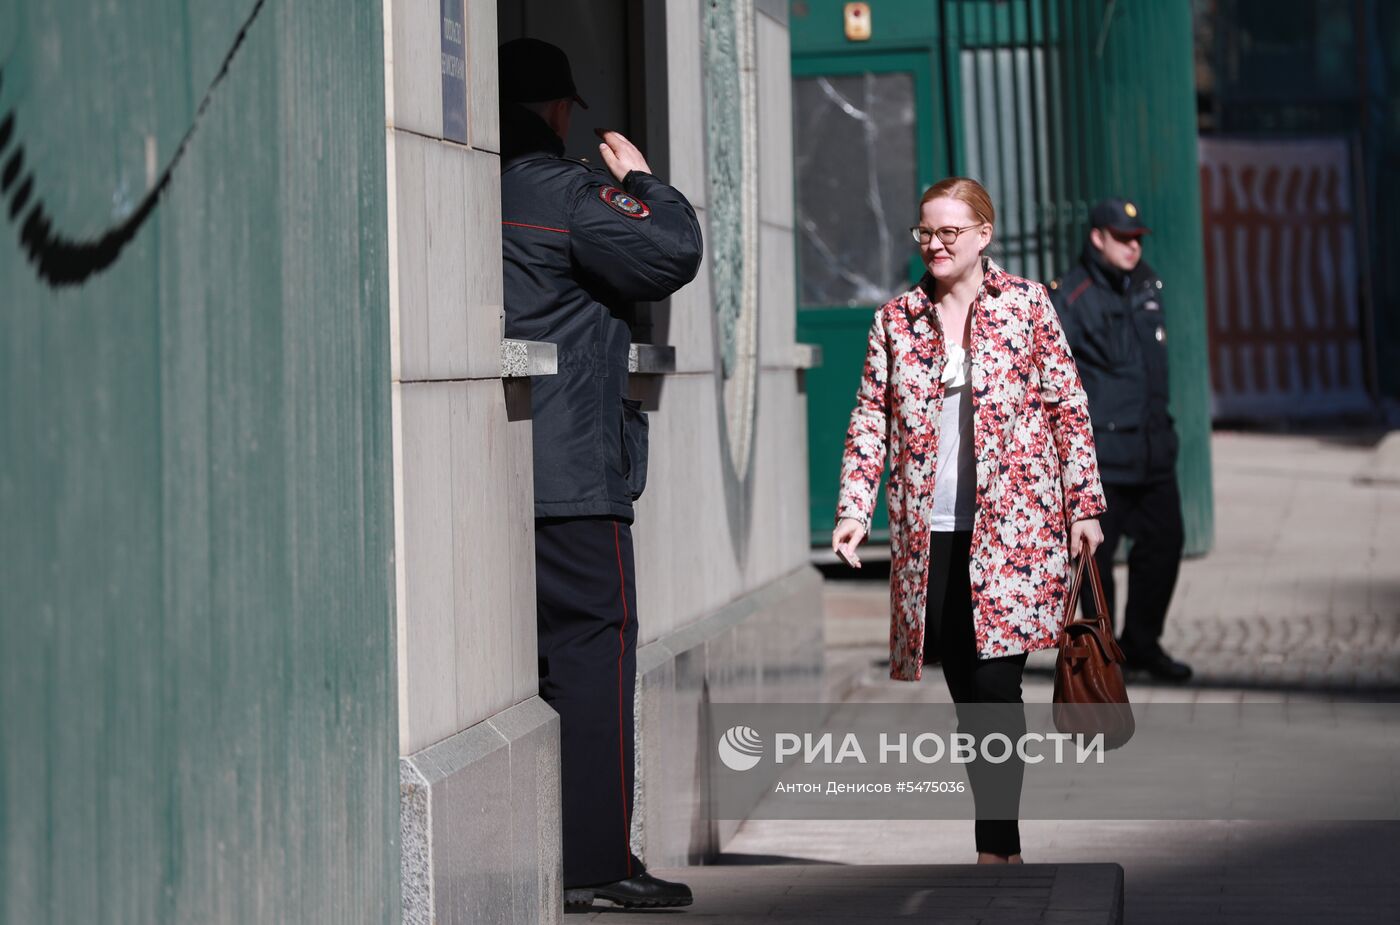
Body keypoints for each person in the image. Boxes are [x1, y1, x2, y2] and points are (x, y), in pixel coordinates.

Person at [832, 177, 1106, 863]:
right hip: (932, 533)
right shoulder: (896, 320)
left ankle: (997, 846)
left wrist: (1086, 505)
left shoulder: (1027, 307)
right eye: (927, 230)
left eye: (950, 230)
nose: (936, 242)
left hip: (1012, 531)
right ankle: (996, 837)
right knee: (966, 693)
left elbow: (1066, 407)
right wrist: (853, 508)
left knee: (995, 685)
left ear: (984, 235)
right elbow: (871, 416)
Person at [498, 38, 703, 908]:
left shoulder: (474, 187)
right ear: (557, 111)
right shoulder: (561, 190)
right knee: (594, 649)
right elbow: (670, 254)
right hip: (574, 469)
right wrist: (647, 183)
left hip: (494, 470)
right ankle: (598, 864)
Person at [1048, 198, 1192, 683]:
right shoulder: (1072, 295)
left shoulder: (1148, 285)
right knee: (1098, 566)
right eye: (1122, 238)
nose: (1133, 247)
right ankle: (1103, 657)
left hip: (1153, 450)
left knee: (1165, 546)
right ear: (1097, 238)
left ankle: (1143, 642)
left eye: (1137, 238)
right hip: (1106, 458)